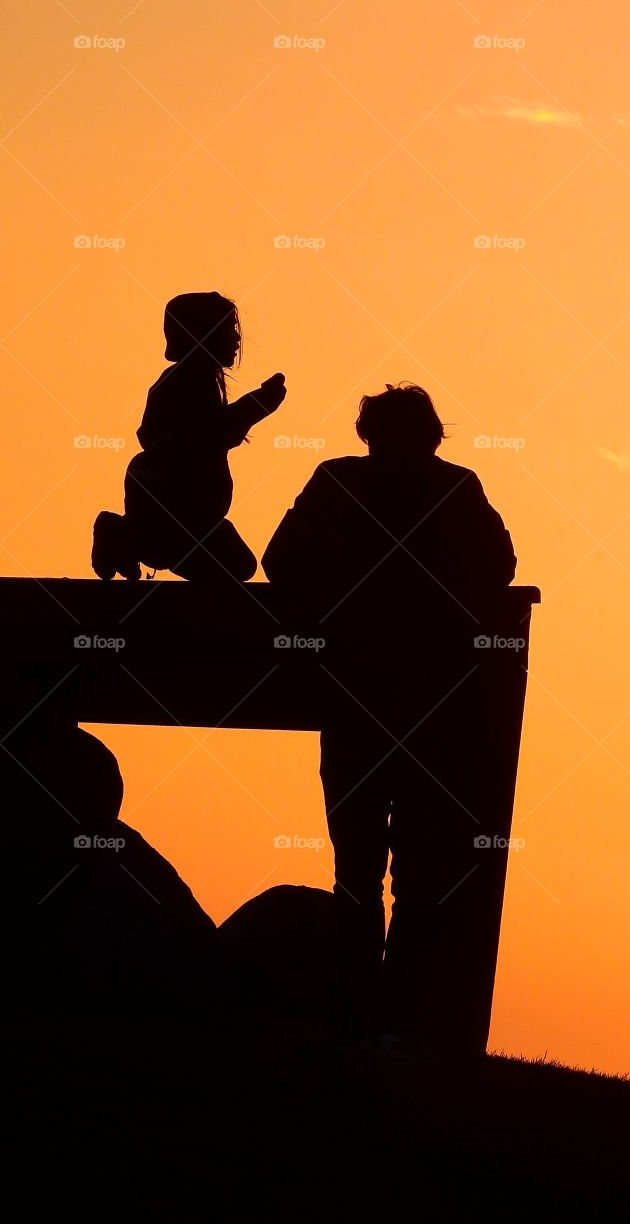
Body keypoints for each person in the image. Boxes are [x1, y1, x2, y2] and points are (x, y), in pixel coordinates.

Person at [262, 383, 516, 1051]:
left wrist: (333, 612)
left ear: (367, 433)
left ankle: (356, 1014)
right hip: (436, 704)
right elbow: (501, 567)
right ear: (431, 435)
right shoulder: (457, 489)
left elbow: (280, 561)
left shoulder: (338, 483)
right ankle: (397, 1019)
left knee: (357, 870)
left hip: (354, 694)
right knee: (417, 874)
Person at [91, 291, 286, 582]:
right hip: (178, 498)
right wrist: (258, 403)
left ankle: (128, 537)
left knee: (233, 563)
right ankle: (124, 535)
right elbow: (210, 434)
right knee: (232, 565)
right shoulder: (192, 380)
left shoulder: (186, 379)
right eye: (228, 330)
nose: (236, 340)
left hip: (180, 500)